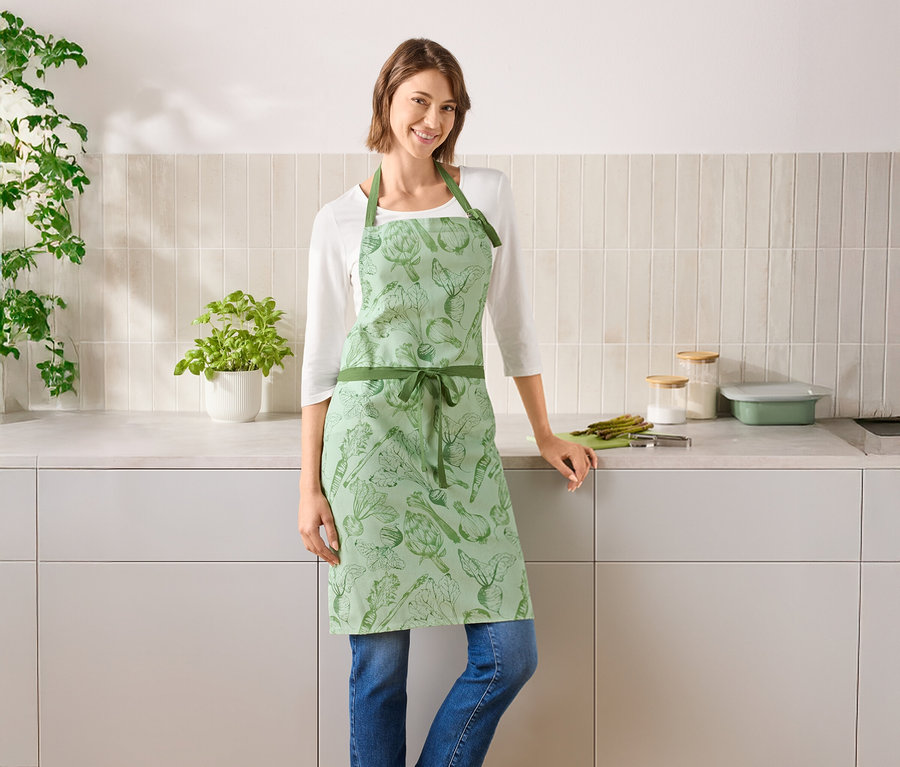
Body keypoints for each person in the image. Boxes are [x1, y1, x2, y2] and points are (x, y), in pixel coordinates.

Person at [299, 38, 596, 767]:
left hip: (460, 439)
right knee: (379, 669)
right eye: (419, 102)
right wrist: (309, 485)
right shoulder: (338, 220)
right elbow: (321, 366)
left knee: (509, 653)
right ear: (386, 103)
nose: (432, 119)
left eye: (447, 106)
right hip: (368, 448)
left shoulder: (486, 193)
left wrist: (545, 429)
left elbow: (514, 323)